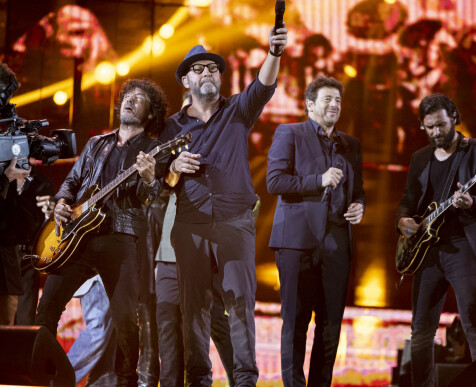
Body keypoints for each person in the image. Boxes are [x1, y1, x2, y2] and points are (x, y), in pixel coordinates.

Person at [157, 21, 288, 385]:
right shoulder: (170, 128)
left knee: (241, 303)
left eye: (213, 68)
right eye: (198, 69)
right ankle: (198, 378)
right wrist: (173, 168)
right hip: (189, 225)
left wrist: (274, 51)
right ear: (186, 82)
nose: (207, 73)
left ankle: (245, 380)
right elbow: (159, 180)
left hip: (234, 221)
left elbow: (264, 85)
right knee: (194, 308)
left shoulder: (238, 111)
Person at [35, 78, 168, 386]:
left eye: (140, 98)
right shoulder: (97, 143)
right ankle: (44, 377)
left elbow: (149, 197)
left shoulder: (152, 149)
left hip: (119, 238)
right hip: (76, 238)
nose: (131, 100)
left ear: (150, 114)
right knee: (47, 309)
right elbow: (72, 181)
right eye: (128, 96)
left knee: (125, 321)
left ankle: (125, 380)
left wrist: (149, 179)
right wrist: (62, 203)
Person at [266, 74, 365, 386]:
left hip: (337, 242)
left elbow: (358, 190)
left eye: (338, 100)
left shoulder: (350, 145)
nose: (335, 105)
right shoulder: (290, 133)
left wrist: (359, 205)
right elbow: (275, 181)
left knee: (330, 324)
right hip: (297, 242)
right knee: (295, 322)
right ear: (309, 105)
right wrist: (317, 180)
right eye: (327, 99)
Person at [396, 93, 476, 387]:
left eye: (440, 125)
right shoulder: (419, 158)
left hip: (464, 248)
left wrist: (471, 203)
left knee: (475, 325)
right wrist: (403, 221)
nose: (435, 133)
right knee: (421, 332)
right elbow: (408, 201)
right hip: (427, 252)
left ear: (454, 117)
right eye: (429, 127)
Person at [155, 192, 235, 386]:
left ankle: (241, 380)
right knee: (168, 329)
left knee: (217, 325)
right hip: (168, 256)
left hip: (205, 256)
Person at [0, 157, 54, 325]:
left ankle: (23, 350)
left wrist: (50, 214)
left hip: (27, 256)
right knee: (4, 319)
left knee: (25, 320)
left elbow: (48, 227)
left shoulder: (42, 184)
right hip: (4, 255)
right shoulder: (3, 179)